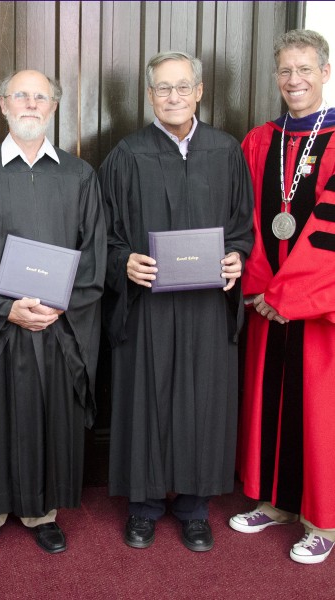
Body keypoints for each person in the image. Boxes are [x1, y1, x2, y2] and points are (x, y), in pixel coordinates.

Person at [99, 51, 254, 553]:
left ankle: (192, 507)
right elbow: (103, 235)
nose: (173, 96)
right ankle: (143, 508)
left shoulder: (226, 151)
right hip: (148, 306)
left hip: (207, 306)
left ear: (200, 91)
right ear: (149, 96)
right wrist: (122, 262)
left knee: (203, 400)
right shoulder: (126, 154)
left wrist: (236, 257)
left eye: (182, 86)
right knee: (146, 398)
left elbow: (243, 228)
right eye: (163, 88)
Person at [0, 69, 106, 560]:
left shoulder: (79, 175)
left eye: (41, 97)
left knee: (49, 411)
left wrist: (59, 306)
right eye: (21, 95)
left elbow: (94, 251)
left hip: (58, 325)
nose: (31, 104)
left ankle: (42, 512)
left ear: (54, 107)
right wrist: (6, 308)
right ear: (3, 105)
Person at [230, 29, 335, 565]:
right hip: (268, 302)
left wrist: (290, 293)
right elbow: (246, 221)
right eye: (285, 71)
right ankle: (275, 502)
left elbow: (329, 232)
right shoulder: (259, 139)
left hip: (319, 310)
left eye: (304, 70)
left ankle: (323, 521)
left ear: (325, 72)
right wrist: (262, 288)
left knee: (320, 411)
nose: (294, 81)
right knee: (270, 400)